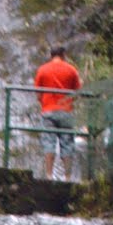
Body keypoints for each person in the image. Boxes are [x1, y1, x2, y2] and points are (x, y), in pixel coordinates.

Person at [33, 45, 83, 180]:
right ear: (63, 55)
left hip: (48, 110)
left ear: (51, 55)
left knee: (48, 143)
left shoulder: (43, 70)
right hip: (66, 111)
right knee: (67, 144)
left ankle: (49, 176)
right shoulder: (71, 70)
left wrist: (43, 103)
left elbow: (38, 93)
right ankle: (67, 177)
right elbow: (77, 90)